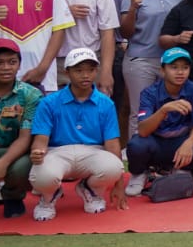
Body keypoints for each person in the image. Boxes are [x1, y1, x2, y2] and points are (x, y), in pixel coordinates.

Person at [27, 47, 125, 221]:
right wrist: (37, 152)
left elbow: (112, 144)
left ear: (97, 71)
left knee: (114, 167)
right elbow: (41, 139)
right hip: (57, 151)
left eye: (90, 70)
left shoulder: (106, 103)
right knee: (42, 177)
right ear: (67, 72)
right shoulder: (49, 102)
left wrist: (119, 184)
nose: (85, 75)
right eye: (79, 70)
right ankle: (49, 198)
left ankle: (89, 189)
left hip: (93, 151)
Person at [117, 0, 184, 139]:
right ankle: (138, 154)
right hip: (141, 60)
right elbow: (125, 32)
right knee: (140, 110)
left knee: (169, 108)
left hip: (170, 61)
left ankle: (164, 156)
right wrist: (132, 9)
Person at [126, 47, 193, 191]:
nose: (180, 72)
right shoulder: (149, 93)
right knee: (136, 144)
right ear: (162, 70)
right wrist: (163, 110)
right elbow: (143, 131)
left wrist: (189, 143)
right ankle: (139, 174)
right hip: (156, 143)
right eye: (174, 67)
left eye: (185, 67)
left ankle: (182, 170)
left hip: (180, 142)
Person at [51, 0, 118, 93]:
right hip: (59, 62)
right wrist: (66, 14)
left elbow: (107, 34)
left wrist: (106, 72)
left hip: (91, 60)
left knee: (94, 110)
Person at [0, 37, 38, 218]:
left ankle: (13, 198)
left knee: (21, 167)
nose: (6, 67)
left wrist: (2, 164)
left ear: (19, 65)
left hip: (17, 151)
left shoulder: (31, 95)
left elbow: (26, 138)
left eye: (12, 62)